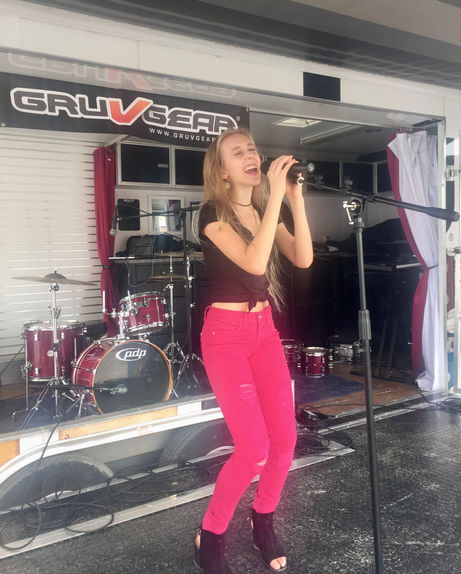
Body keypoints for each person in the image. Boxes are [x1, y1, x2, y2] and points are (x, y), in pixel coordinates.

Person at [195, 127, 313, 573]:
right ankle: (211, 534)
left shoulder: (264, 209)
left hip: (264, 331)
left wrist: (294, 200)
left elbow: (303, 257)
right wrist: (276, 195)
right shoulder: (211, 214)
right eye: (238, 152)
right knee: (252, 448)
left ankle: (262, 520)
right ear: (222, 172)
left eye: (252, 149)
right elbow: (254, 262)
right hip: (225, 335)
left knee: (285, 439)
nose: (250, 155)